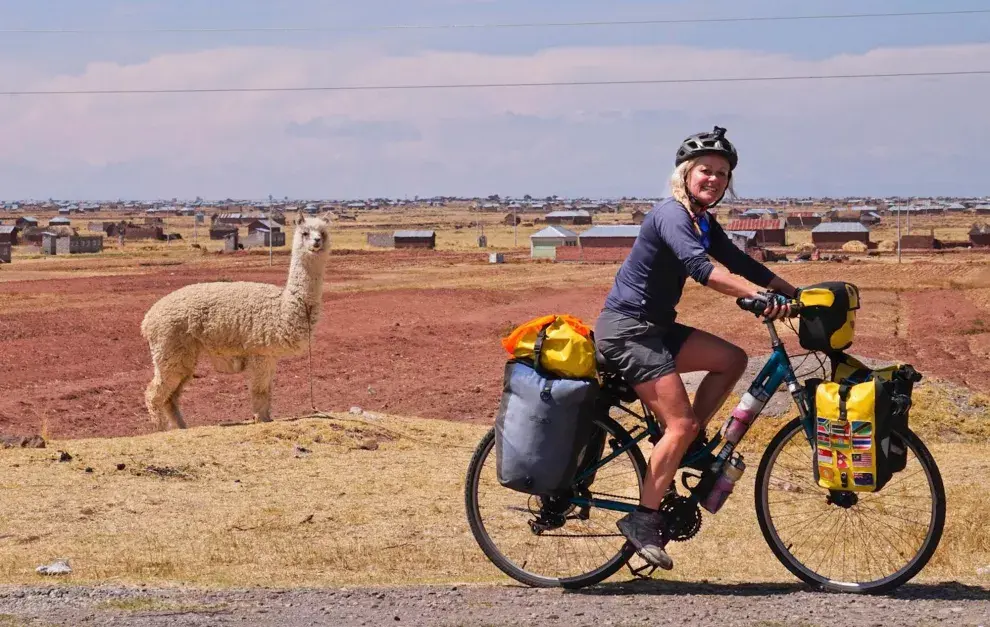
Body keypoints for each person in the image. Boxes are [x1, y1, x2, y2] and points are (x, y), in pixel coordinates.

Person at [594, 126, 798, 570]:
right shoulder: (670, 215)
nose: (714, 179)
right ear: (686, 173)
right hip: (628, 331)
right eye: (706, 170)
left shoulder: (702, 220)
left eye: (722, 174)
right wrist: (757, 297)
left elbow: (740, 261)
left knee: (731, 359)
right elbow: (702, 268)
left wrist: (793, 292)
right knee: (680, 423)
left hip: (656, 328)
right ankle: (643, 520)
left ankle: (684, 444)